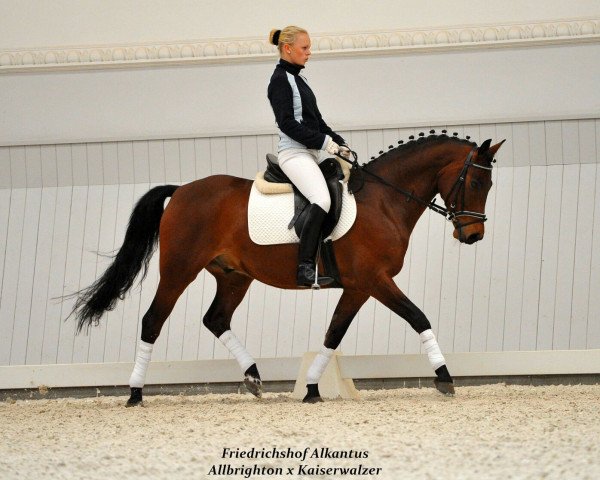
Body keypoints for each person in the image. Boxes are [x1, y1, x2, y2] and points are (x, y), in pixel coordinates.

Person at [267, 26, 350, 288]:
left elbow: (317, 122)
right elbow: (288, 124)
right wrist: (327, 143)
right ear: (287, 48)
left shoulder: (299, 80)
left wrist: (339, 142)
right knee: (321, 199)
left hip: (310, 152)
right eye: (305, 48)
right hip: (294, 153)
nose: (309, 52)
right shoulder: (281, 80)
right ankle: (304, 268)